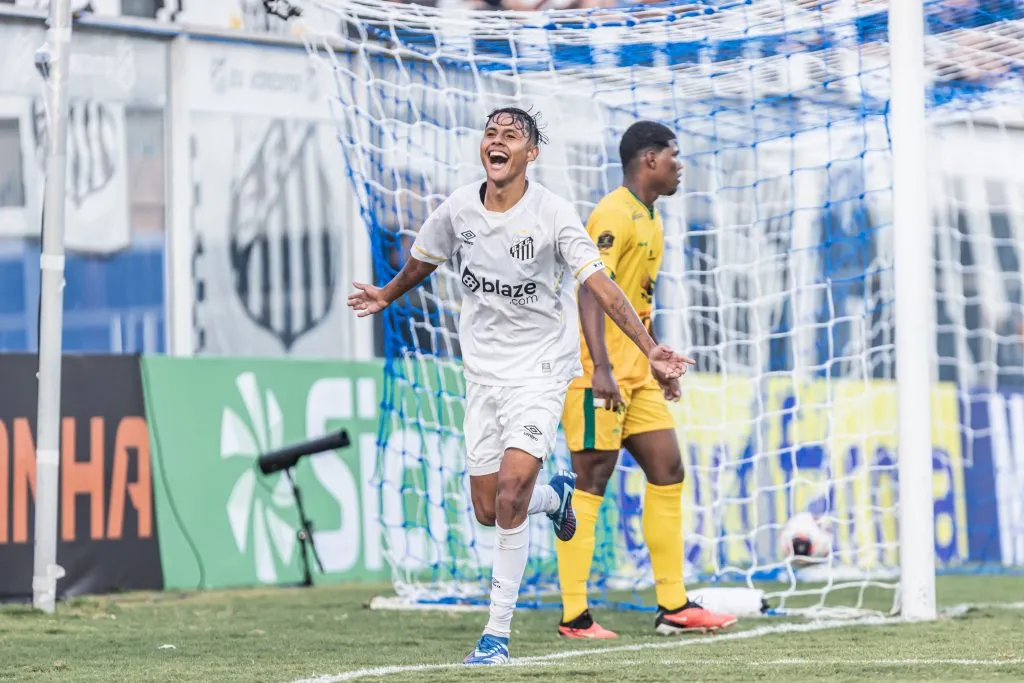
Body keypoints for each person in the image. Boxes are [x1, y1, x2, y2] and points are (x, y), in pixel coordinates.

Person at [348, 108, 693, 665]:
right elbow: (423, 258)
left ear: (531, 154)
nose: (498, 140)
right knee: (488, 508)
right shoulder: (459, 208)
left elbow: (600, 285)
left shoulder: (553, 213)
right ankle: (555, 498)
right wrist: (387, 294)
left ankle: (495, 635)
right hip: (483, 376)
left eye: (511, 135)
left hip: (540, 371)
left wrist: (649, 348)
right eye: (491, 133)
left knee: (510, 493)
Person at [555, 120, 737, 639]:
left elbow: (634, 303)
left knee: (668, 469)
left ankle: (673, 604)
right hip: (597, 375)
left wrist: (655, 363)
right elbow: (590, 291)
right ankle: (574, 615)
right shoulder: (613, 213)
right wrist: (602, 368)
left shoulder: (650, 218)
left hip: (636, 376)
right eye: (675, 156)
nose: (680, 166)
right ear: (649, 159)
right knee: (592, 480)